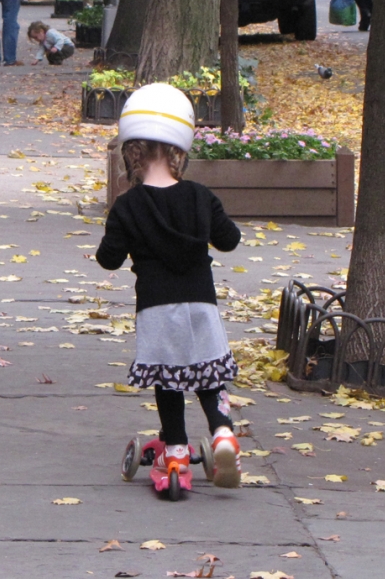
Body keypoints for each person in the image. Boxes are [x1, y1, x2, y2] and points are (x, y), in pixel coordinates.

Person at [96, 84, 243, 488]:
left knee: (169, 379)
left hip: (157, 307)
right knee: (208, 374)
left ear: (132, 151)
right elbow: (229, 240)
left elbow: (108, 258)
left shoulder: (127, 205)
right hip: (201, 303)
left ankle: (176, 452)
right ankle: (222, 431)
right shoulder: (200, 196)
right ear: (180, 147)